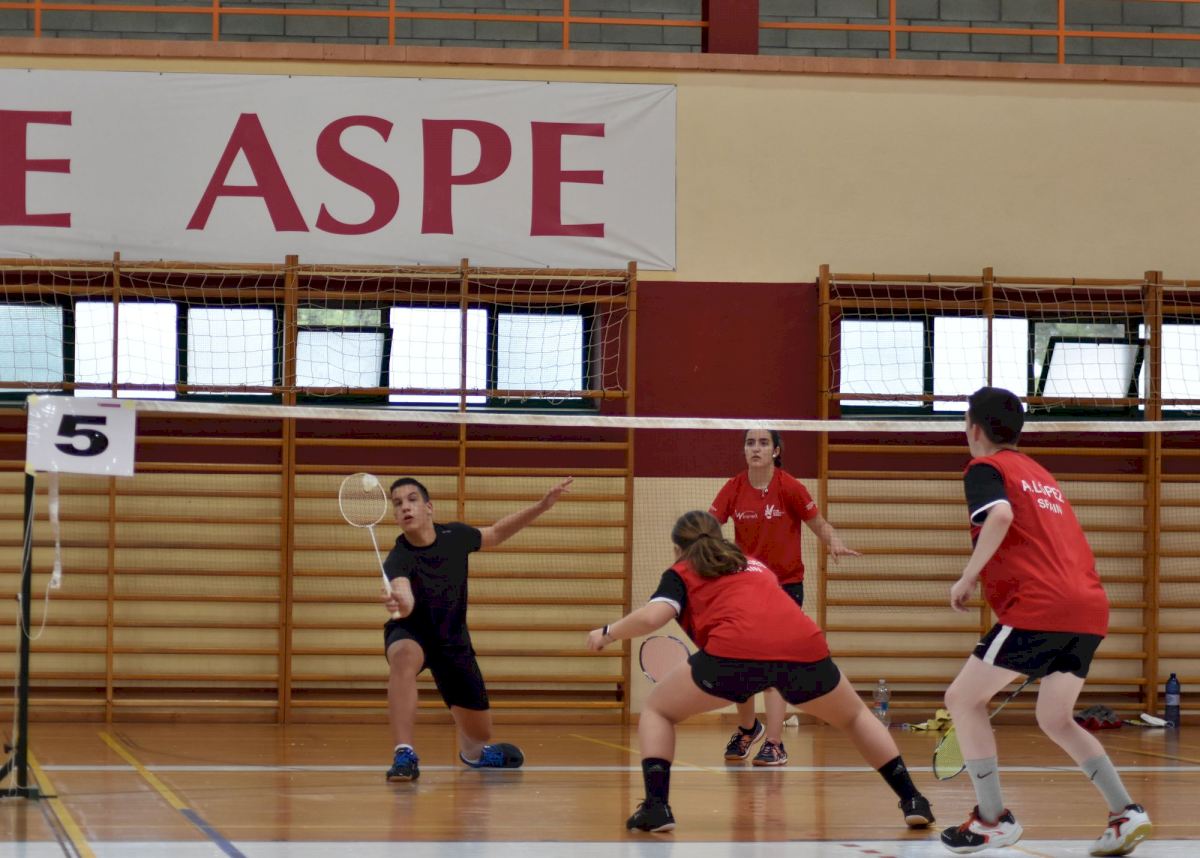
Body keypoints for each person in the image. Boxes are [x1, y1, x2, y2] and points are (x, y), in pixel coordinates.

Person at [586, 509, 934, 833]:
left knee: (658, 710)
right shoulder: (753, 564)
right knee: (855, 716)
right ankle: (913, 800)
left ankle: (657, 807)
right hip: (803, 647)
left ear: (678, 549)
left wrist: (607, 633)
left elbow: (652, 617)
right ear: (719, 538)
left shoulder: (681, 571)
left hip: (733, 654)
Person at [939, 387, 1151, 856]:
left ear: (973, 429)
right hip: (1088, 608)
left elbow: (999, 516)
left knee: (962, 698)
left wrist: (968, 576)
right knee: (1055, 717)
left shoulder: (985, 468)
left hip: (1041, 607)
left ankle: (991, 820)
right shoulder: (1041, 475)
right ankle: (1125, 812)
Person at [382, 475, 573, 782]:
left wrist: (542, 506)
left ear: (429, 507)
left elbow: (495, 533)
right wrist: (400, 603)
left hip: (452, 641)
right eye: (398, 504)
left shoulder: (454, 536)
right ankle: (404, 753)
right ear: (395, 515)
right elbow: (405, 602)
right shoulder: (398, 557)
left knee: (480, 732)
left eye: (412, 500)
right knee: (403, 656)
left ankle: (475, 754)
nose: (405, 507)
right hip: (412, 632)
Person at [709, 428, 860, 766]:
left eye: (763, 443)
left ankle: (775, 743)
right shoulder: (734, 487)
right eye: (750, 443)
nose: (756, 448)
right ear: (744, 450)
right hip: (745, 587)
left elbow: (818, 523)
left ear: (776, 451)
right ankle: (748, 729)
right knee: (739, 663)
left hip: (785, 588)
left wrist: (834, 541)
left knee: (774, 666)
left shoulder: (789, 486)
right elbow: (709, 525)